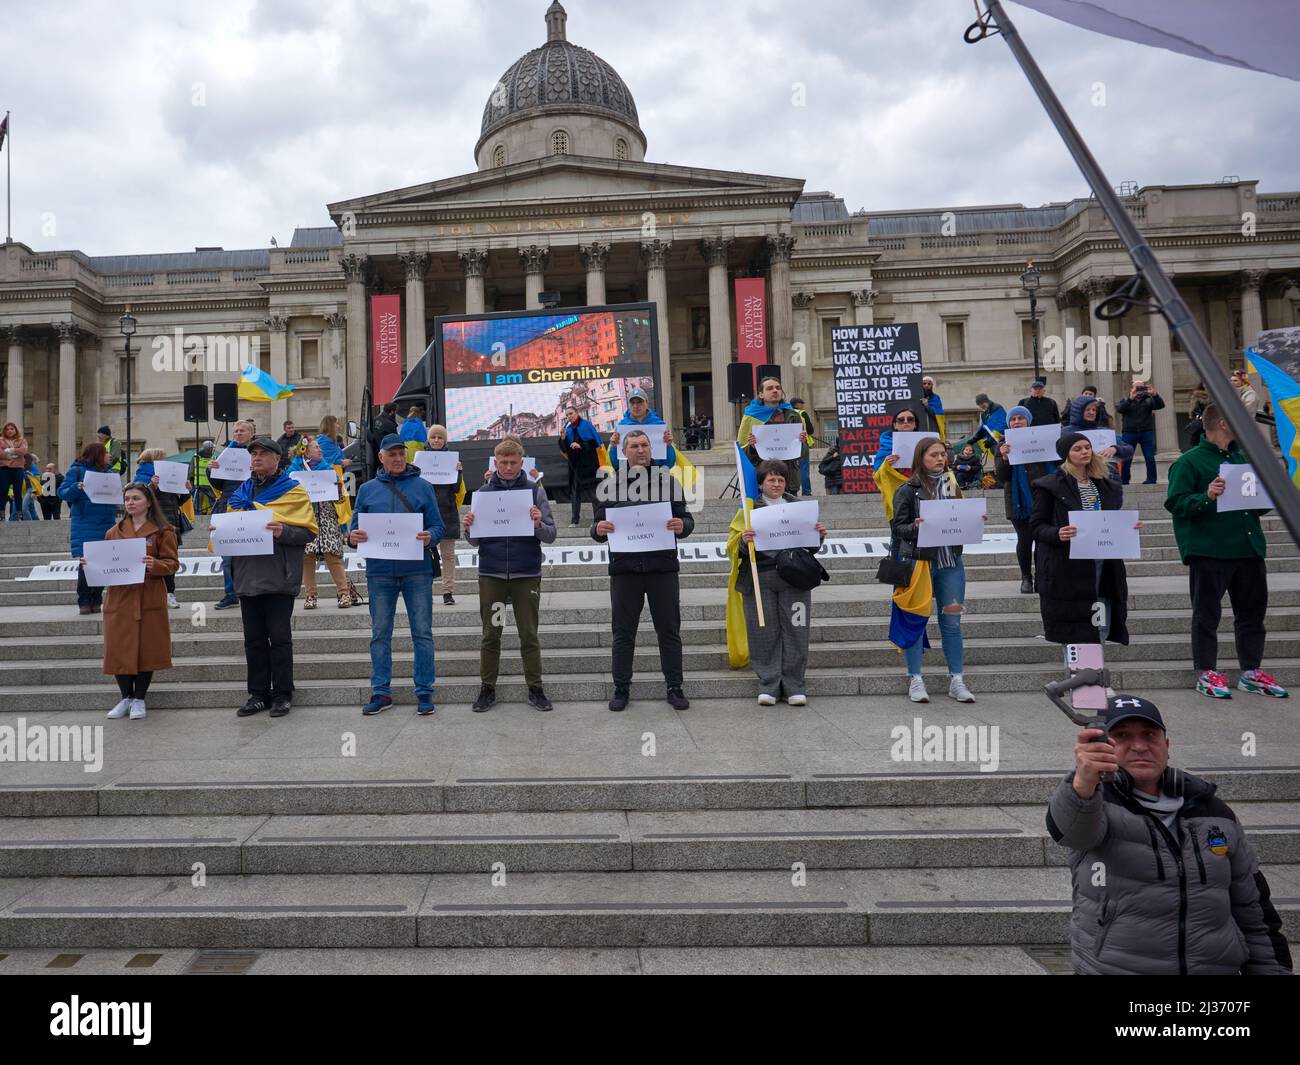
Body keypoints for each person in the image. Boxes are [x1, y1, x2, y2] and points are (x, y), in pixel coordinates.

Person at [1048, 693, 1291, 975]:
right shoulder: (1095, 804)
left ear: (1167, 745)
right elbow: (1069, 829)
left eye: (1150, 735)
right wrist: (1082, 781)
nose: (1139, 746)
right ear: (1102, 746)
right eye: (1122, 735)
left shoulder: (1213, 811)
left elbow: (1254, 910)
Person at [1164, 403, 1287, 699]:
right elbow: (1176, 504)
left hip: (1248, 547)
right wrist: (1206, 496)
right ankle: (1206, 671)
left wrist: (1269, 489)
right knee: (1206, 614)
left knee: (1252, 614)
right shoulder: (1189, 462)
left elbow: (1257, 508)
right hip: (1210, 550)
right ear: (1222, 423)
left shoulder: (1243, 458)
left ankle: (1251, 671)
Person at [592, 428, 694, 712]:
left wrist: (682, 525)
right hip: (625, 570)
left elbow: (686, 519)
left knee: (669, 631)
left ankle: (675, 687)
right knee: (623, 633)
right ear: (623, 452)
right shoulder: (608, 485)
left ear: (652, 449)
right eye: (634, 445)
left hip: (662, 568)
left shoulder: (669, 482)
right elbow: (597, 527)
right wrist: (598, 528)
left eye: (645, 445)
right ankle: (621, 688)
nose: (641, 450)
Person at [349, 433, 444, 716]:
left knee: (422, 633)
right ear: (381, 458)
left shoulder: (423, 487)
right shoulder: (366, 490)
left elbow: (439, 527)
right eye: (392, 454)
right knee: (380, 634)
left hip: (417, 570)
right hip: (379, 572)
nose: (398, 458)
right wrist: (353, 536)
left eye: (401, 453)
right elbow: (353, 531)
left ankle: (424, 691)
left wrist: (431, 537)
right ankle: (381, 692)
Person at [223, 437, 318, 718]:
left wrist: (282, 532)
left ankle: (282, 694)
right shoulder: (240, 493)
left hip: (279, 576)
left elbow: (308, 532)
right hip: (247, 576)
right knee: (252, 640)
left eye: (264, 453)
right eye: (253, 454)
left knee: (279, 638)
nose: (257, 458)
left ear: (277, 459)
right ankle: (257, 694)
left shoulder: (293, 491)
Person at [464, 438, 558, 712]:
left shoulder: (533, 491)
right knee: (491, 634)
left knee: (528, 634)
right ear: (495, 463)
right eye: (503, 462)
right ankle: (487, 689)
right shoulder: (482, 493)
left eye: (513, 462)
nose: (507, 467)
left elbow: (551, 535)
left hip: (525, 575)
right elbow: (474, 541)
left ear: (522, 462)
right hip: (492, 576)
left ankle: (536, 688)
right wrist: (468, 528)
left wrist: (538, 522)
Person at [726, 460, 827, 706]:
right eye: (771, 479)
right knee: (763, 631)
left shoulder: (799, 507)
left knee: (796, 629)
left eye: (781, 479)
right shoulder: (748, 510)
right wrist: (743, 540)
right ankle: (768, 684)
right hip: (760, 578)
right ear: (761, 483)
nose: (777, 484)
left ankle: (794, 685)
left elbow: (810, 547)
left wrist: (819, 536)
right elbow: (733, 547)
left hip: (795, 578)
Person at [1031, 433, 1139, 651]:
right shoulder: (1049, 486)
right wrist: (1057, 533)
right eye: (1077, 449)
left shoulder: (1107, 485)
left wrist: (1127, 528)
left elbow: (1110, 520)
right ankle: (1077, 677)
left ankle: (1095, 677)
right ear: (1066, 455)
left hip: (1101, 564)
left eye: (1087, 447)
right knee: (1072, 627)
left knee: (1100, 619)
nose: (1084, 452)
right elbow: (1036, 525)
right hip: (1066, 567)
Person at [890, 437, 977, 704]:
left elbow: (959, 520)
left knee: (951, 623)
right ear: (921, 458)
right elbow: (897, 528)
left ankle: (957, 680)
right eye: (934, 455)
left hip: (950, 564)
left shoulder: (953, 485)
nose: (941, 459)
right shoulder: (907, 489)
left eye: (943, 454)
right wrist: (915, 526)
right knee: (916, 622)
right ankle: (915, 679)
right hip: (919, 566)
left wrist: (974, 519)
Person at [95, 482, 179, 720]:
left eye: (136, 498)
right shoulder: (114, 531)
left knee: (147, 648)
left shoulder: (164, 530)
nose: (130, 503)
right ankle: (125, 697)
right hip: (120, 596)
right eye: (127, 499)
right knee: (119, 647)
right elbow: (107, 562)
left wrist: (156, 565)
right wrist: (91, 564)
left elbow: (173, 563)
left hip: (148, 594)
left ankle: (139, 698)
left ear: (149, 502)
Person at [289, 437, 354, 610]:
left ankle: (344, 593)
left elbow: (340, 500)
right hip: (305, 517)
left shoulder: (329, 470)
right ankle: (310, 595)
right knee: (307, 557)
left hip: (326, 516)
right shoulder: (294, 471)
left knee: (332, 555)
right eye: (316, 447)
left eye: (319, 447)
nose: (320, 450)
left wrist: (339, 489)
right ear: (306, 451)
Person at [994, 406, 1053, 594]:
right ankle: (1026, 577)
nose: (1017, 422)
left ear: (1028, 421)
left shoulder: (1042, 439)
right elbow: (1002, 477)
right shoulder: (1003, 444)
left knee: (1043, 540)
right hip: (1017, 501)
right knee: (1025, 540)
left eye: (1021, 418)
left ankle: (1043, 577)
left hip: (1041, 496)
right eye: (1013, 419)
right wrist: (1004, 457)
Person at [58, 442, 119, 615]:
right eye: (106, 453)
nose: (109, 455)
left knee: (103, 563)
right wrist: (76, 487)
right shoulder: (76, 471)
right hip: (86, 523)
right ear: (97, 455)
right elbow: (62, 493)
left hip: (107, 523)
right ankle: (84, 601)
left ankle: (97, 599)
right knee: (87, 564)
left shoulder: (109, 472)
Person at [135, 447, 193, 609]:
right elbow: (140, 498)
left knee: (169, 559)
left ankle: (169, 594)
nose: (166, 460)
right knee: (151, 559)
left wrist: (186, 490)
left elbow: (177, 501)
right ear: (155, 459)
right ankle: (151, 594)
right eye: (163, 457)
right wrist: (152, 486)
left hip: (170, 523)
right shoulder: (142, 475)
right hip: (152, 524)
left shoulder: (169, 474)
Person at [209, 419, 254, 610]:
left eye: (242, 431)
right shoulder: (225, 453)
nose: (237, 434)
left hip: (251, 506)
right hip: (228, 506)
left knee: (251, 554)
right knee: (227, 555)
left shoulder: (258, 452)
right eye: (235, 431)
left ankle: (251, 590)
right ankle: (231, 593)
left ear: (251, 433)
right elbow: (219, 485)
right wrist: (212, 470)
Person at [737, 377, 808, 488]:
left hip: (788, 479)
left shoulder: (793, 415)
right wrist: (752, 447)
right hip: (762, 479)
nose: (775, 390)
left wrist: (802, 443)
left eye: (778, 388)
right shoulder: (750, 417)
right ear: (761, 394)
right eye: (770, 388)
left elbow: (803, 454)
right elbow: (742, 453)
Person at [424, 423, 466, 605]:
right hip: (426, 514)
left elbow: (457, 489)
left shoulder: (452, 460)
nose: (436, 440)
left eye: (440, 437)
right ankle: (424, 590)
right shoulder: (420, 459)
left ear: (445, 440)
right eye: (433, 437)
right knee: (425, 555)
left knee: (448, 555)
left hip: (447, 512)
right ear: (429, 439)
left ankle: (448, 592)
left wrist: (458, 472)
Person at [1062, 394, 1132, 480]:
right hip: (1080, 477)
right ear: (1078, 411)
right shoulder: (1066, 432)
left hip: (1108, 478)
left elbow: (1129, 449)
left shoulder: (1105, 432)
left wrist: (1115, 449)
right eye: (1087, 410)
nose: (1091, 412)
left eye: (1094, 410)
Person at [872, 406, 922, 521]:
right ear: (895, 425)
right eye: (901, 420)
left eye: (910, 419)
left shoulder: (927, 443)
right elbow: (877, 476)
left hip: (923, 494)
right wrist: (886, 465)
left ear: (915, 424)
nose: (905, 422)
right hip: (898, 496)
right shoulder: (885, 448)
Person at [607, 387, 675, 468]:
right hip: (629, 474)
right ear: (629, 405)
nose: (636, 406)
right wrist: (614, 447)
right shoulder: (621, 426)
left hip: (655, 473)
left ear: (647, 402)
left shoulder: (659, 424)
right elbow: (616, 465)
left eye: (640, 402)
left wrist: (668, 446)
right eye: (632, 403)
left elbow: (669, 464)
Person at [558, 405, 603, 526]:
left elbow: (595, 443)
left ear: (577, 413)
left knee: (594, 493)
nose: (569, 416)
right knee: (575, 493)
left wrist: (581, 445)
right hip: (575, 466)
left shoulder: (586, 425)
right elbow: (565, 450)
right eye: (567, 415)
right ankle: (574, 520)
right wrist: (563, 439)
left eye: (571, 413)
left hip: (589, 465)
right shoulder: (567, 430)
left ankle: (597, 520)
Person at [1116, 379, 1165, 484]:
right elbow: (1120, 409)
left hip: (1146, 432)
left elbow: (1161, 405)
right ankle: (1124, 481)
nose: (1139, 390)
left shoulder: (1149, 400)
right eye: (1136, 387)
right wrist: (1130, 398)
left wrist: (1155, 394)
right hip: (1129, 433)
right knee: (1126, 459)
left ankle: (1151, 480)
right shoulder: (1125, 400)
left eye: (1141, 387)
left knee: (1150, 457)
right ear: (1132, 389)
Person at [0, 421, 29, 519]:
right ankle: (2, 514)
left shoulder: (22, 440)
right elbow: (0, 453)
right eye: (7, 429)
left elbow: (24, 451)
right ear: (4, 431)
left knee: (17, 491)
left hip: (18, 468)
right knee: (3, 491)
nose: (10, 431)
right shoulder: (1, 440)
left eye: (12, 429)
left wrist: (11, 451)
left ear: (15, 430)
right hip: (4, 468)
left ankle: (19, 514)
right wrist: (15, 455)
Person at [790, 397, 816, 496]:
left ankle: (793, 491)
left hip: (790, 446)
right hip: (802, 444)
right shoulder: (802, 413)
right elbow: (810, 430)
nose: (803, 405)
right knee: (803, 469)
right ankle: (806, 492)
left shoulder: (786, 413)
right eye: (802, 403)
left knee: (792, 469)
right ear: (797, 404)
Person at [189, 440, 217, 515]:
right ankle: (209, 519)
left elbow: (191, 472)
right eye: (211, 448)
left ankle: (211, 518)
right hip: (205, 485)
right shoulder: (212, 458)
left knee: (200, 506)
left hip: (204, 485)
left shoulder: (196, 457)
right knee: (213, 503)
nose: (212, 450)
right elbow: (191, 472)